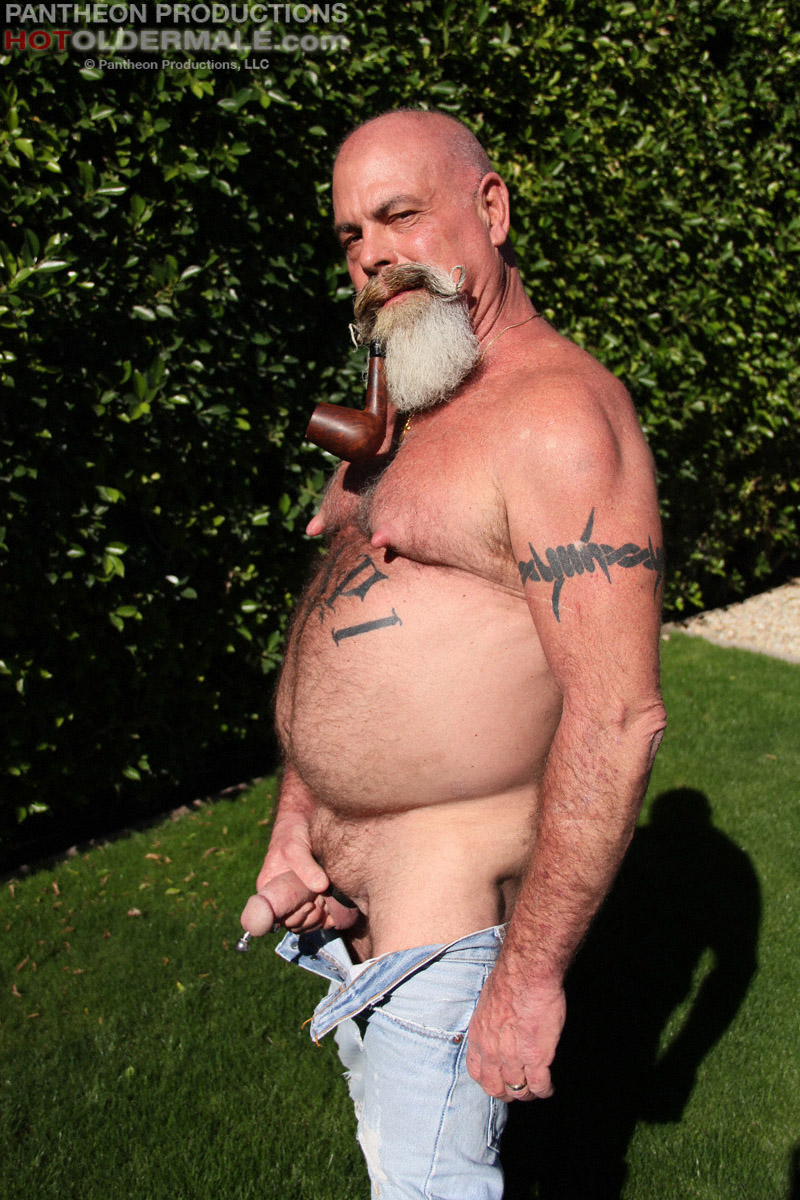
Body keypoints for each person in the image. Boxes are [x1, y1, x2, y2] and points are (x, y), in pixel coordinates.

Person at [241, 109, 666, 1199]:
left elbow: (616, 718)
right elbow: (347, 619)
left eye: (399, 216)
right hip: (346, 913)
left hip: (445, 933)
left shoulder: (555, 419)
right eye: (351, 234)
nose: (372, 255)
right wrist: (301, 817)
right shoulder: (408, 408)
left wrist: (527, 979)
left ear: (492, 209)